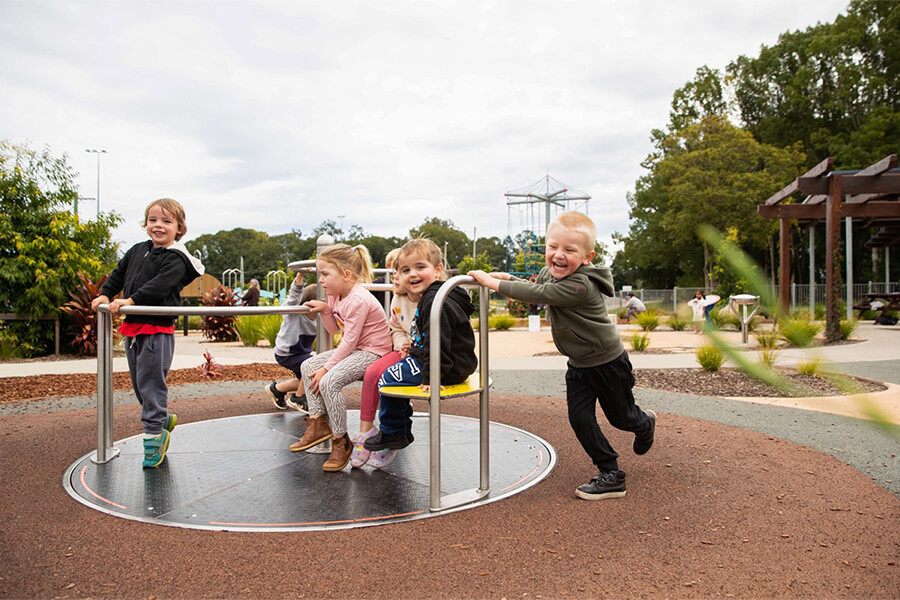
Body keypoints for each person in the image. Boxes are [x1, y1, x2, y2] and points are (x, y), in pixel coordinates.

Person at [468, 211, 655, 500]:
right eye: (553, 247)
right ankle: (611, 473)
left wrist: (493, 283)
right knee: (580, 418)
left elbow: (538, 294)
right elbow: (534, 283)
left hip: (607, 363)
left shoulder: (580, 285)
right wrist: (506, 276)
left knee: (621, 418)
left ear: (587, 257)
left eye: (569, 250)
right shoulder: (554, 273)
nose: (558, 255)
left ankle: (643, 423)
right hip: (579, 365)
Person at [91, 198, 205, 469]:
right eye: (153, 220)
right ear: (146, 224)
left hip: (156, 327)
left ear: (179, 228)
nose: (158, 226)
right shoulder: (137, 250)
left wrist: (130, 301)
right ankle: (161, 418)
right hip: (134, 327)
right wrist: (106, 293)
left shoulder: (176, 258)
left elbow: (160, 285)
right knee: (139, 385)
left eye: (166, 221)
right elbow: (118, 275)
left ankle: (154, 438)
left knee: (151, 382)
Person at [364, 238, 477, 461]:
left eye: (420, 267)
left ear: (438, 270)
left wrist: (432, 376)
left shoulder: (434, 300)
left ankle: (394, 431)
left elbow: (440, 339)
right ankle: (400, 429)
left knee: (387, 378)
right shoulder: (434, 295)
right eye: (406, 270)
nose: (413, 274)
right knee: (396, 372)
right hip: (442, 361)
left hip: (443, 366)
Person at [291, 244, 392, 472]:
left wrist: (326, 368)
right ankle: (317, 422)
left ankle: (340, 440)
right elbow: (335, 330)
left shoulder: (358, 299)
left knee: (328, 381)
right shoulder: (335, 296)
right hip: (358, 349)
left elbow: (349, 341)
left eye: (325, 274)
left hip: (373, 352)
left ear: (347, 275)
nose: (321, 280)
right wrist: (326, 310)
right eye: (320, 275)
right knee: (308, 365)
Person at [350, 249, 418, 469]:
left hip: (422, 353)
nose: (394, 277)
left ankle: (394, 434)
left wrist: (413, 347)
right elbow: (396, 328)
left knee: (392, 379)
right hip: (402, 349)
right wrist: (401, 344)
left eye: (400, 272)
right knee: (372, 373)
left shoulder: (427, 298)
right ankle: (365, 432)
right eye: (394, 272)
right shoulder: (397, 300)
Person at [264, 275, 317, 412]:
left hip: (301, 354)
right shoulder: (295, 312)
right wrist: (300, 275)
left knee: (307, 379)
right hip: (287, 353)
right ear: (308, 304)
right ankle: (298, 398)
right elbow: (294, 295)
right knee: (314, 367)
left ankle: (276, 390)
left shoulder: (320, 318)